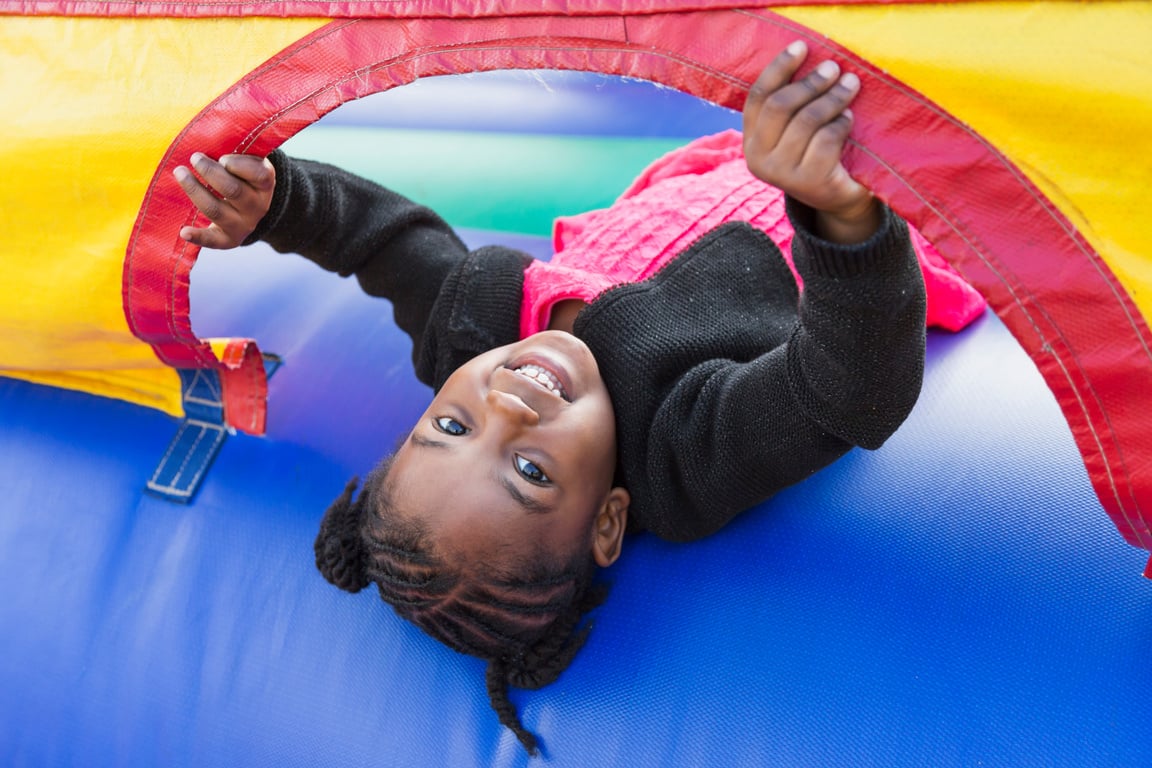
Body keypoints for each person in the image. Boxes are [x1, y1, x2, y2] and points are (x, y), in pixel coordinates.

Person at [174, 41, 927, 756]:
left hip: (704, 178)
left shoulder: (474, 341)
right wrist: (841, 215)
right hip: (862, 216)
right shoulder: (680, 454)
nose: (507, 409)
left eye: (451, 424)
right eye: (531, 472)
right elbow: (846, 393)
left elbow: (383, 243)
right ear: (607, 521)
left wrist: (276, 206)